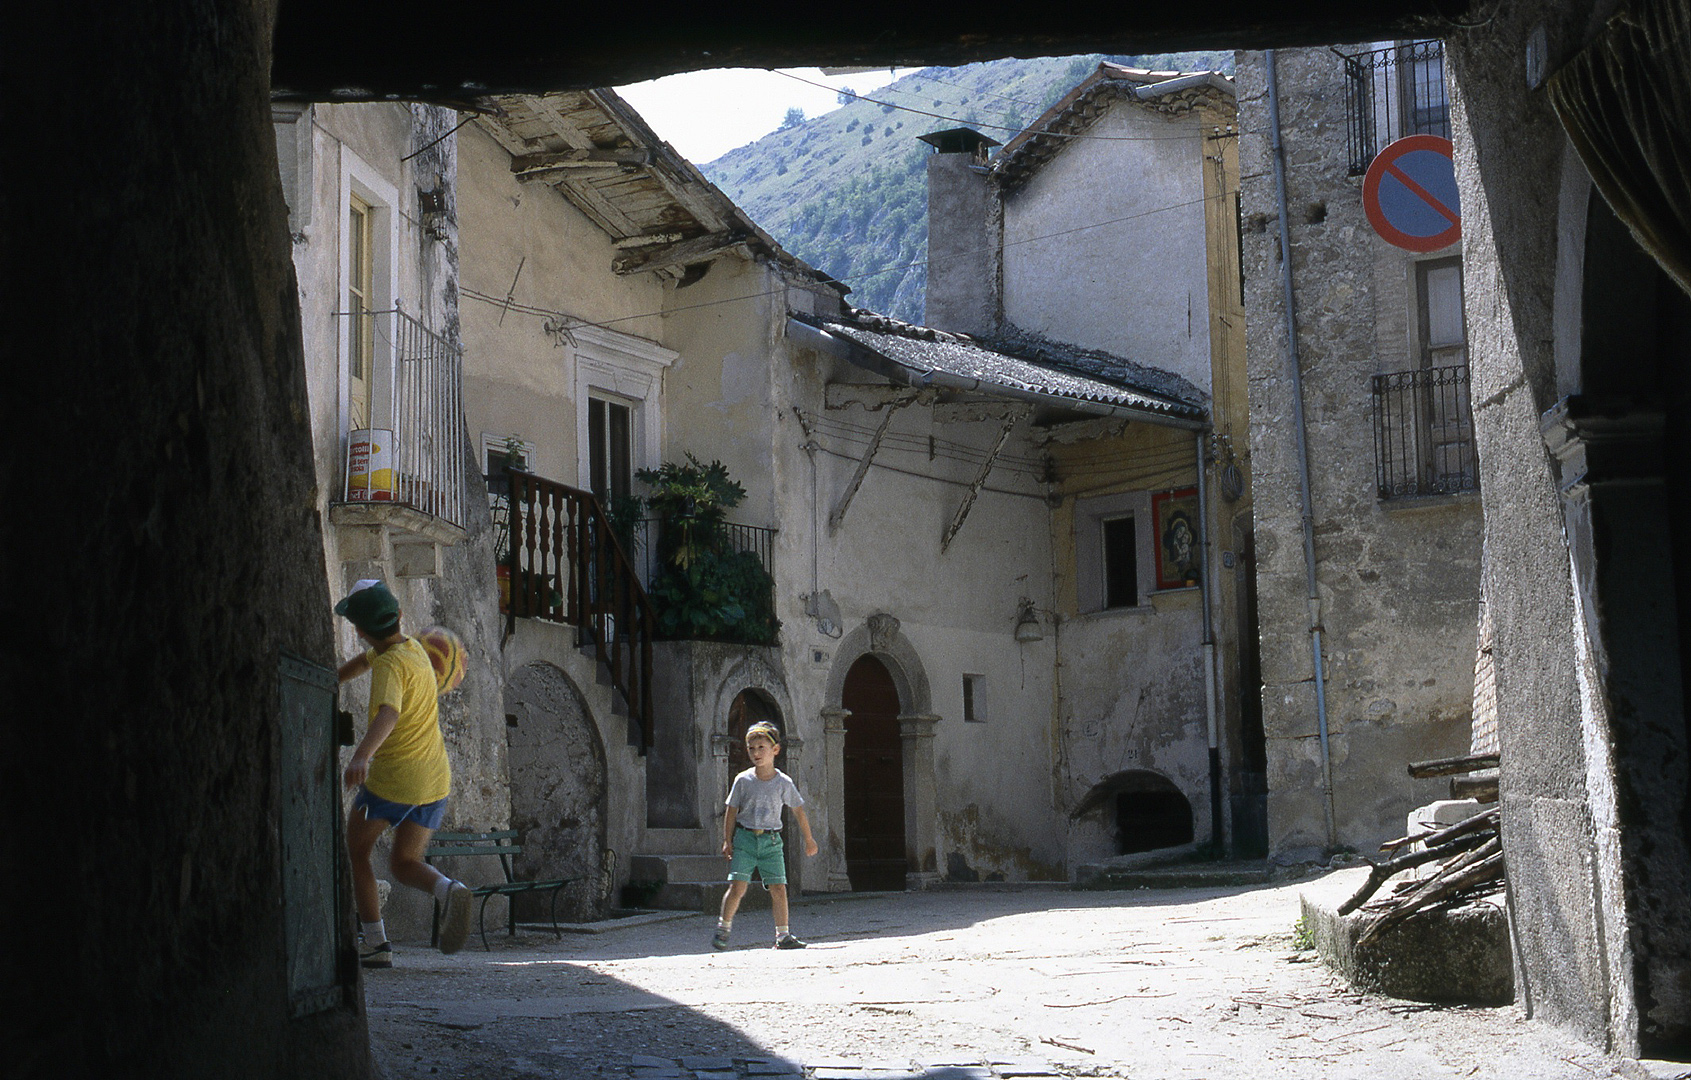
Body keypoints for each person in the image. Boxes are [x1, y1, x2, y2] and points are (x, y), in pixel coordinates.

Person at [334, 579, 473, 967]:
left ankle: (376, 944)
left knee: (358, 851)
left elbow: (389, 712)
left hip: (393, 781)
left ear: (359, 630)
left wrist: (361, 756)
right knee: (403, 863)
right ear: (397, 618)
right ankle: (448, 889)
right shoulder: (410, 648)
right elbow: (366, 660)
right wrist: (335, 678)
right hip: (434, 781)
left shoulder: (389, 667)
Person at [713, 721, 819, 950]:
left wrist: (809, 839)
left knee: (779, 887)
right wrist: (727, 840)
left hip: (771, 841)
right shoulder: (743, 780)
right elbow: (731, 811)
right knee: (738, 886)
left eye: (762, 747)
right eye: (751, 748)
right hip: (745, 839)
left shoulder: (783, 782)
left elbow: (798, 811)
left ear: (776, 750)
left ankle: (783, 936)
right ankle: (723, 927)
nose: (756, 753)